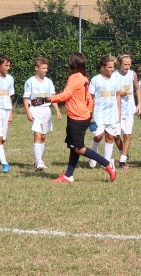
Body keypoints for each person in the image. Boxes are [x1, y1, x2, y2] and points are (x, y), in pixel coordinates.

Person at [48, 52, 116, 183]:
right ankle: (68, 175)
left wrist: (48, 99)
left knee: (79, 148)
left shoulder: (74, 78)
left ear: (72, 63)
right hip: (81, 116)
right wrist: (89, 116)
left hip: (77, 118)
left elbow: (66, 94)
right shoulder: (84, 77)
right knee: (74, 146)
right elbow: (90, 99)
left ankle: (107, 164)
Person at [22, 57, 57, 171]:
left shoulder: (49, 82)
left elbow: (53, 98)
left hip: (46, 110)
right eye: (43, 68)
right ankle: (38, 162)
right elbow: (26, 98)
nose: (46, 70)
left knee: (43, 136)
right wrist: (28, 112)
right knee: (37, 135)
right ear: (36, 68)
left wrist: (56, 110)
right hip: (35, 110)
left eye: (46, 68)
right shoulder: (30, 81)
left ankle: (39, 160)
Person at [88, 55, 124, 165]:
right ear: (102, 67)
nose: (112, 69)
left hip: (112, 113)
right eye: (109, 67)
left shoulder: (116, 79)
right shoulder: (96, 79)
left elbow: (118, 95)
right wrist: (90, 115)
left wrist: (118, 112)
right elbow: (90, 97)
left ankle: (106, 162)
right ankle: (93, 155)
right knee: (98, 136)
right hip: (99, 113)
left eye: (113, 67)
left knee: (110, 136)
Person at [113, 54, 138, 165]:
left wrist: (139, 104)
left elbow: (137, 89)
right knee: (116, 136)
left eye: (129, 64)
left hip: (128, 109)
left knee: (127, 135)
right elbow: (109, 91)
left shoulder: (132, 74)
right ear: (119, 64)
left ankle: (123, 160)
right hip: (117, 110)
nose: (127, 67)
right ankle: (123, 152)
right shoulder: (114, 75)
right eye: (125, 64)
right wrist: (119, 93)